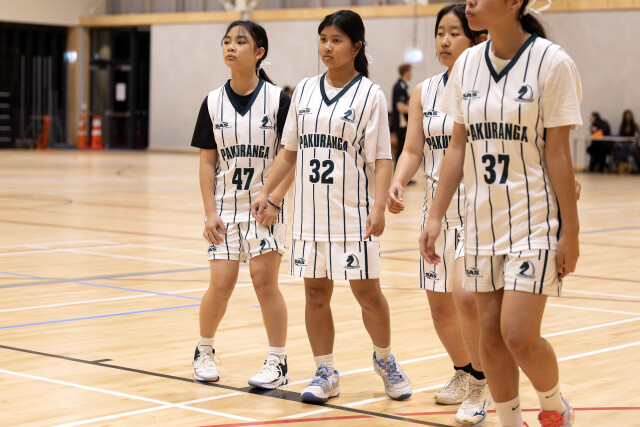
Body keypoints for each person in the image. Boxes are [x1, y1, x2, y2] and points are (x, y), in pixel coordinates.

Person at [421, 0, 582, 426]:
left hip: (535, 219)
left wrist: (571, 231)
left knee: (518, 335)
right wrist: (435, 216)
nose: (470, 2)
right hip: (480, 222)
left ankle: (554, 407)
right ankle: (510, 421)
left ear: (514, 3)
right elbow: (457, 147)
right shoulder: (468, 64)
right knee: (489, 338)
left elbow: (559, 153)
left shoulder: (552, 62)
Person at [251, 9, 412, 404]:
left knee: (368, 294)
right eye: (323, 38)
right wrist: (267, 192)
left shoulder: (370, 95)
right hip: (309, 215)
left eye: (336, 40)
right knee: (315, 295)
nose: (327, 46)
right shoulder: (304, 90)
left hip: (353, 214)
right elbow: (289, 153)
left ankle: (385, 359)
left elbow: (382, 159)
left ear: (356, 47)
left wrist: (379, 206)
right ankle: (325, 372)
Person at [387, 4, 490, 425]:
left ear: (476, 38)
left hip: (477, 211)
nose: (444, 41)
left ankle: (483, 381)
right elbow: (413, 149)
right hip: (436, 213)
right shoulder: (424, 91)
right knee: (440, 306)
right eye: (440, 33)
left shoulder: (485, 88)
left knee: (466, 299)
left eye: (454, 33)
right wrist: (398, 181)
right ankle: (464, 372)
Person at [190, 20, 291, 389]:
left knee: (265, 283)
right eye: (227, 41)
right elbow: (207, 162)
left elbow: (291, 157)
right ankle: (203, 350)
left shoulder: (279, 100)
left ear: (259, 52)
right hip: (225, 209)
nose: (231, 47)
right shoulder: (212, 102)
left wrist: (275, 199)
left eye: (241, 42)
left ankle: (277, 361)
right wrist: (209, 212)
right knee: (220, 284)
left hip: (265, 209)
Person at [391, 63, 412, 165]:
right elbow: (400, 107)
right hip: (400, 123)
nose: (411, 74)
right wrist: (416, 110)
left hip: (402, 123)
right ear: (406, 72)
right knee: (401, 148)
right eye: (410, 71)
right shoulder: (399, 87)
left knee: (402, 148)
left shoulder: (403, 86)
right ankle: (399, 171)